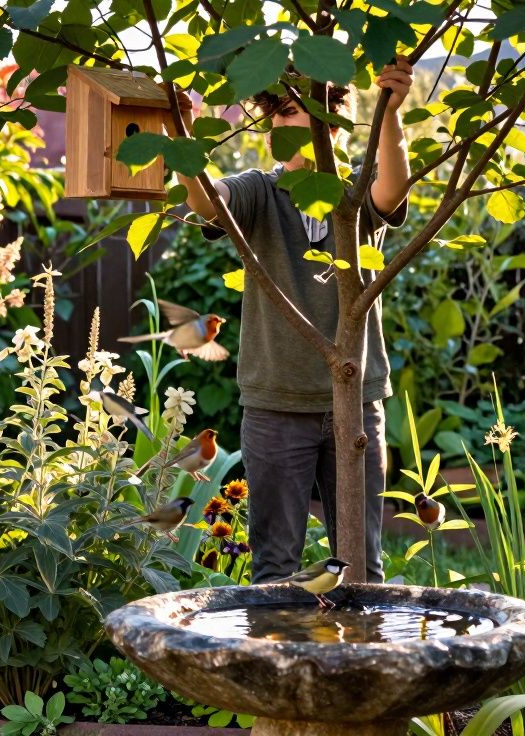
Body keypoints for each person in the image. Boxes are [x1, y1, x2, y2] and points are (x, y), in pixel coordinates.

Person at [173, 58, 415, 583]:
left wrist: (391, 112)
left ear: (333, 127)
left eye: (304, 114)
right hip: (275, 405)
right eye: (280, 115)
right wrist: (182, 141)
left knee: (362, 567)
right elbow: (207, 203)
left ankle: (356, 663)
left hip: (355, 403)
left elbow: (392, 190)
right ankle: (278, 665)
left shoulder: (353, 194)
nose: (290, 126)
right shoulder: (258, 191)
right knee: (275, 566)